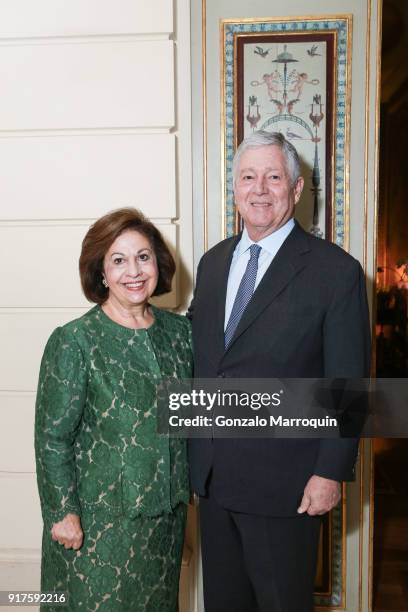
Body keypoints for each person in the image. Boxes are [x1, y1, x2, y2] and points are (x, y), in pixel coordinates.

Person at [188, 131, 371, 612]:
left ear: (295, 189)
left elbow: (348, 385)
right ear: (235, 190)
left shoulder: (336, 272)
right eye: (248, 177)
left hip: (286, 486)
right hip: (212, 479)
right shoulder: (212, 264)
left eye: (274, 177)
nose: (260, 189)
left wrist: (329, 473)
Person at [35, 208, 192, 612]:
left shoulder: (181, 334)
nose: (134, 271)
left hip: (165, 525)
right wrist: (62, 513)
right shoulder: (75, 341)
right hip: (97, 527)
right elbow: (52, 438)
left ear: (158, 263)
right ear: (101, 273)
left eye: (143, 256)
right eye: (118, 260)